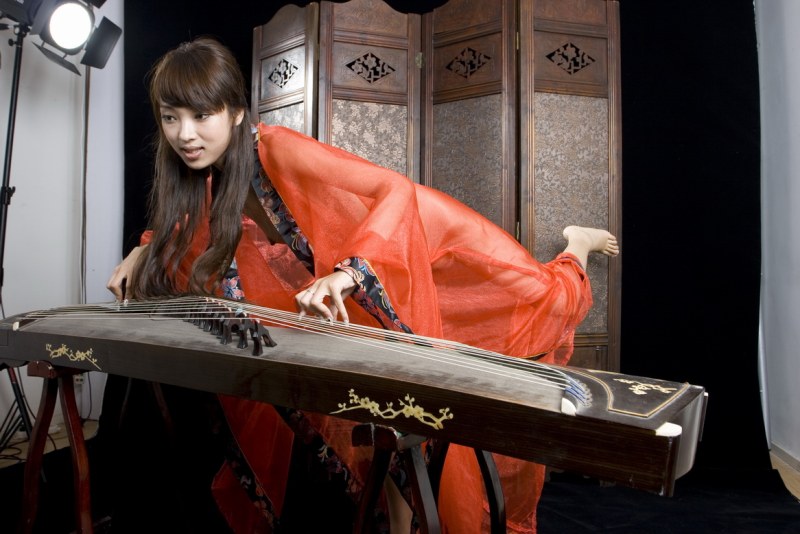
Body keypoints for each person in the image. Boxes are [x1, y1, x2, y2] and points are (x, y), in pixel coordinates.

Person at [107, 36, 619, 534]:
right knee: (382, 397)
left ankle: (577, 244)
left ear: (237, 113)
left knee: (548, 300)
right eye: (171, 118)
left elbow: (394, 189)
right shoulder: (205, 183)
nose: (185, 134)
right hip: (372, 284)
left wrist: (349, 273)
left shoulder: (275, 147)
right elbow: (183, 230)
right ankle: (399, 521)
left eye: (201, 116)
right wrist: (141, 250)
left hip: (424, 244)